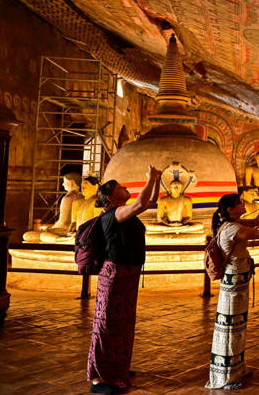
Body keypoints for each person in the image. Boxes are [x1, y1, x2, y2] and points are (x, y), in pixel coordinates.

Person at [88, 165, 162, 394]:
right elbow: (141, 203)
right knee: (108, 323)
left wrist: (157, 180)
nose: (126, 187)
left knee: (124, 324)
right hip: (115, 274)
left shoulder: (123, 212)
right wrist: (149, 178)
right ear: (110, 197)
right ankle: (99, 377)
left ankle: (117, 367)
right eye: (121, 187)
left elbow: (149, 202)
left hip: (127, 273)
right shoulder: (113, 214)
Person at [207, 187, 259, 390]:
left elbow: (258, 221)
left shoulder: (233, 224)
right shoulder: (232, 229)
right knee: (229, 328)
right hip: (234, 280)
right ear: (231, 209)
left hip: (239, 279)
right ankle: (225, 376)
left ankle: (236, 368)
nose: (244, 205)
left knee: (237, 327)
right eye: (240, 203)